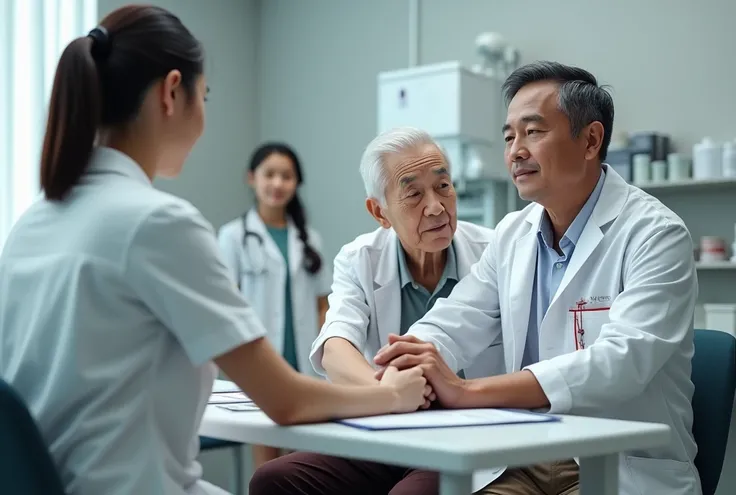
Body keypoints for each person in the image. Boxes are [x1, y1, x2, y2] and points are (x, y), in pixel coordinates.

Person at [0, 5, 428, 495]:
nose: (203, 115)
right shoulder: (157, 223)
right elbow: (284, 401)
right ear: (171, 92)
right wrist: (391, 394)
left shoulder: (31, 222)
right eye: (202, 97)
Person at [372, 61, 702, 495]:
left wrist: (467, 391)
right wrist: (409, 359)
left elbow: (622, 364)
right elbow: (455, 318)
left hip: (615, 465)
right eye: (509, 136)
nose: (515, 151)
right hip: (522, 457)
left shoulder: (655, 234)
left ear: (590, 140)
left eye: (533, 132)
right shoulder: (514, 233)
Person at [249, 126, 505, 495]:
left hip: (469, 433)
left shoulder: (494, 251)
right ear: (379, 212)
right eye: (414, 194)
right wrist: (389, 394)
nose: (435, 207)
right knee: (272, 480)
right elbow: (336, 344)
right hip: (390, 428)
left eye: (443, 186)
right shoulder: (360, 258)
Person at [217, 143, 331, 467]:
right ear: (251, 178)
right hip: (260, 366)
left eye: (287, 176)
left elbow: (323, 303)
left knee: (300, 468)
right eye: (270, 175)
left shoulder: (309, 238)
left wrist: (327, 357)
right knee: (266, 468)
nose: (278, 184)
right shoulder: (233, 237)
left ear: (296, 184)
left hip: (305, 367)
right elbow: (225, 305)